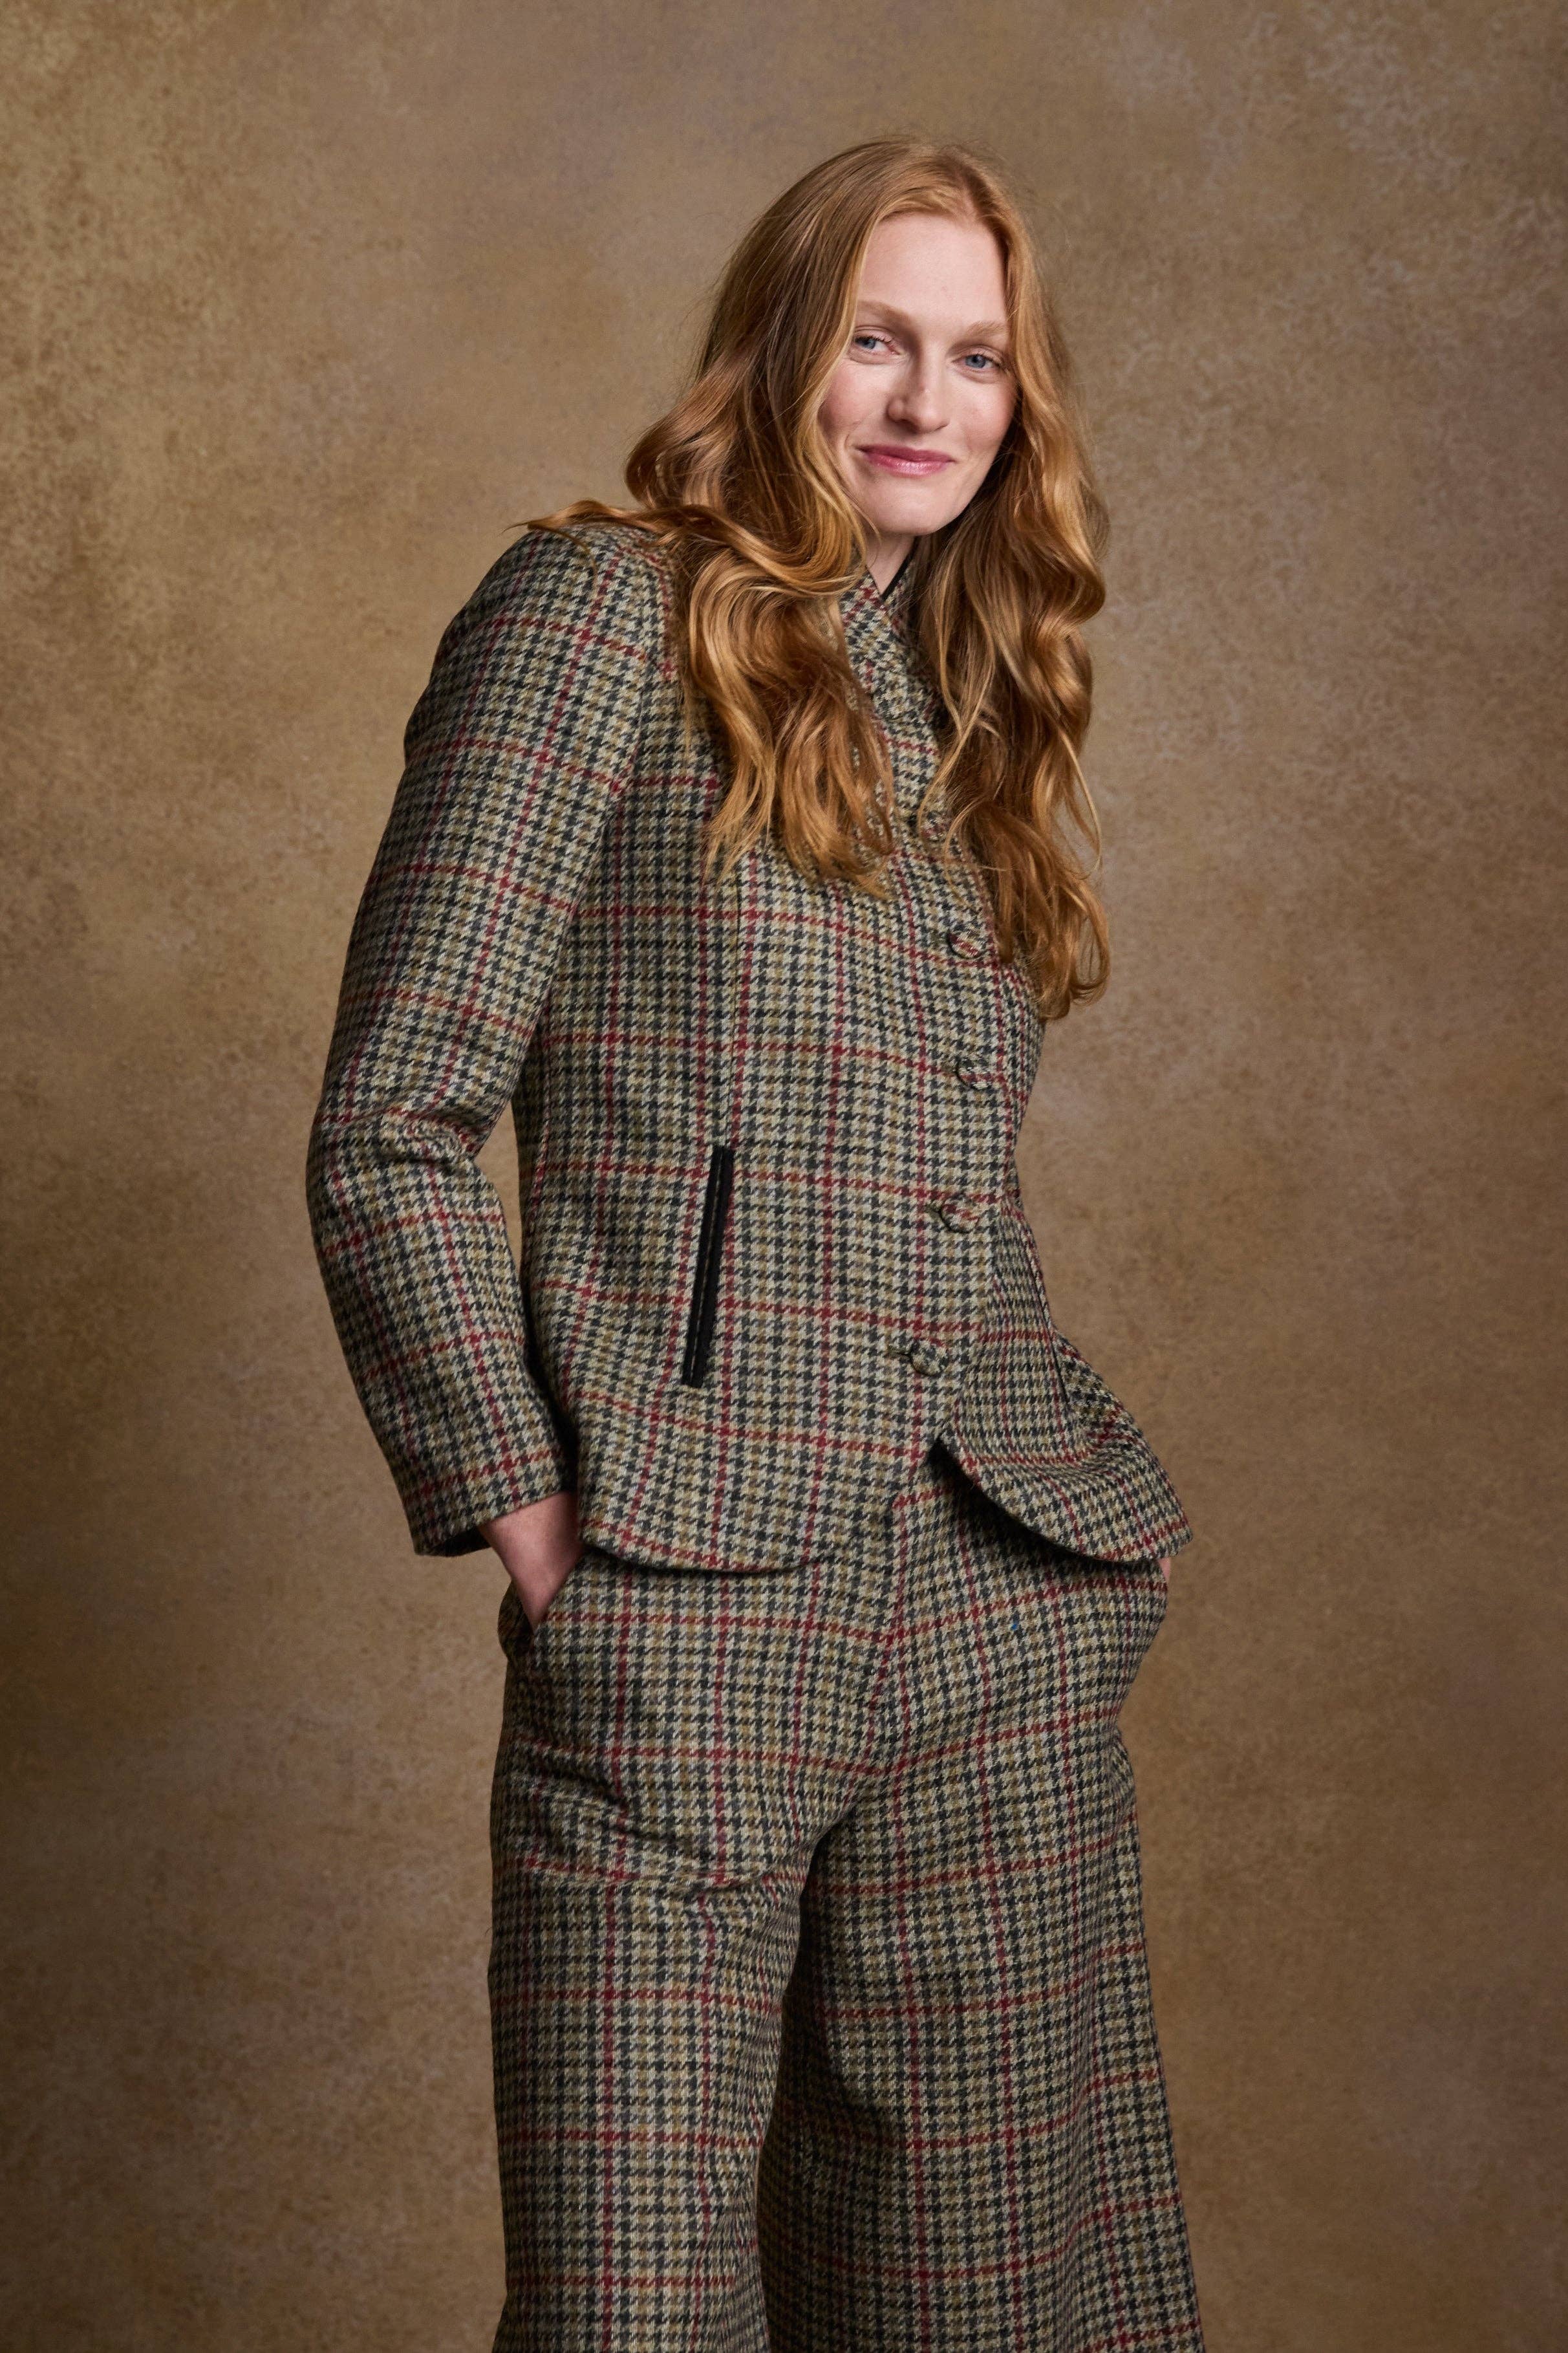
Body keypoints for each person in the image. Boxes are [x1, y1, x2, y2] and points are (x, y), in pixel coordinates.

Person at [307, 135, 1204, 2353]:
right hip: (683, 1592)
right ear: (785, 346)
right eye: (877, 341)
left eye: (977, 359)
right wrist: (537, 1523)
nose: (924, 401)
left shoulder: (975, 700)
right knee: (630, 2305)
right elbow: (393, 1120)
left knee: (986, 2307)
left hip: (997, 1589)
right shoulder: (594, 617)